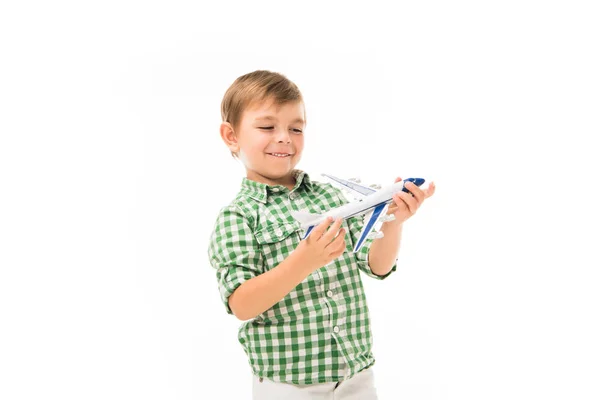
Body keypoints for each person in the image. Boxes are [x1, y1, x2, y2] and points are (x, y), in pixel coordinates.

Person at [208, 70, 435, 399]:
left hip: (356, 375)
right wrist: (304, 261)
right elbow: (242, 304)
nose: (285, 137)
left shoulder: (330, 197)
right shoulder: (237, 217)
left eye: (296, 128)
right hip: (288, 385)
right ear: (231, 136)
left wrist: (393, 222)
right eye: (267, 127)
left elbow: (378, 266)